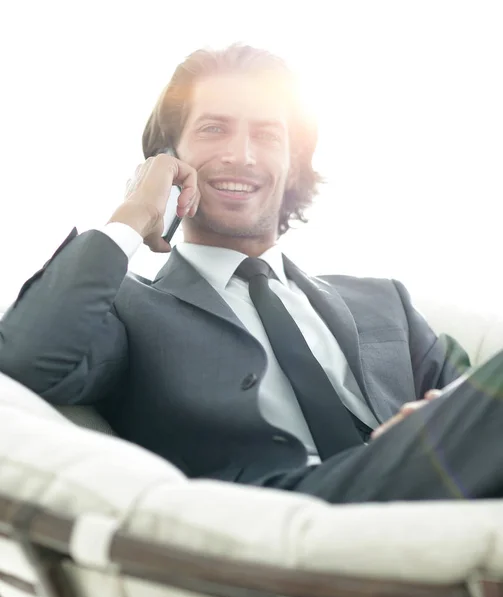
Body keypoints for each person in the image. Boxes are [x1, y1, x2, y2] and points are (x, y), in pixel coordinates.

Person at [1, 44, 502, 503]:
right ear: (168, 160)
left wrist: (437, 416)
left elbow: (471, 408)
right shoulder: (127, 309)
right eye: (213, 128)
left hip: (432, 492)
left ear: (292, 163)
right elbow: (23, 363)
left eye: (266, 135)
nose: (241, 155)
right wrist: (134, 212)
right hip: (280, 515)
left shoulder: (385, 302)